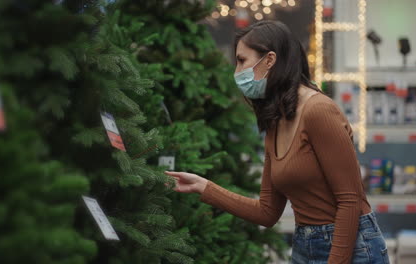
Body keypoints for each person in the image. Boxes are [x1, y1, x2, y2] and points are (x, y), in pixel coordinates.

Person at [164, 20, 390, 264]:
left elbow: (350, 200)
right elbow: (267, 212)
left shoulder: (319, 111)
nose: (237, 72)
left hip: (351, 247)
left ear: (269, 60)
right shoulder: (277, 119)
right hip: (306, 244)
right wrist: (204, 187)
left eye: (242, 61)